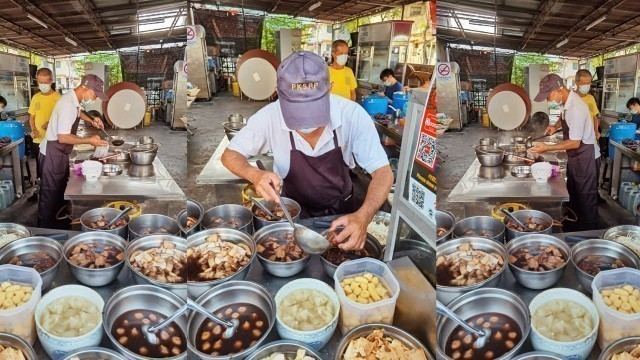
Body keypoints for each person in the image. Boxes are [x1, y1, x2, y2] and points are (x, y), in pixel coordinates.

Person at [221, 51, 394, 251]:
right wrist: (254, 174)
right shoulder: (269, 117)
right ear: (278, 92)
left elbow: (383, 172)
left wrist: (363, 217)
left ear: (329, 89)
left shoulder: (352, 115)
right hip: (293, 216)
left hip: (342, 214)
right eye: (297, 112)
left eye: (312, 111)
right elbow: (230, 155)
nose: (306, 123)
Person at [38, 75, 109, 229]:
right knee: (50, 193)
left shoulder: (74, 100)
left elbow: (79, 112)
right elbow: (63, 137)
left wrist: (91, 119)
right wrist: (89, 140)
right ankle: (45, 230)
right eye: (95, 94)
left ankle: (59, 223)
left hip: (60, 153)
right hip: (52, 153)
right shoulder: (67, 104)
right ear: (86, 89)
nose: (95, 98)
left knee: (60, 189)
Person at [530, 74, 598, 231]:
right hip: (575, 156)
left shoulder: (576, 108)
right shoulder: (567, 101)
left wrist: (547, 147)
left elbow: (574, 142)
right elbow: (563, 116)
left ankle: (589, 233)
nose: (548, 100)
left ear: (559, 90)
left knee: (585, 198)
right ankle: (573, 227)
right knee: (573, 193)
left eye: (549, 96)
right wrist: (554, 126)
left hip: (585, 157)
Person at [28, 68, 61, 202]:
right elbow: (32, 118)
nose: (42, 85)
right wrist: (33, 129)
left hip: (53, 141)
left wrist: (51, 123)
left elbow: (63, 119)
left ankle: (53, 195)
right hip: (38, 140)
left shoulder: (58, 98)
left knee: (52, 170)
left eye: (45, 82)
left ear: (51, 81)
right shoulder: (36, 97)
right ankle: (39, 193)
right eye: (40, 82)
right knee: (40, 169)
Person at [574, 69, 600, 139]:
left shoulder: (591, 98)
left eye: (588, 83)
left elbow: (594, 116)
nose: (586, 85)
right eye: (583, 83)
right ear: (576, 83)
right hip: (575, 137)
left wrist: (596, 130)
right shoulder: (570, 97)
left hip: (589, 136)